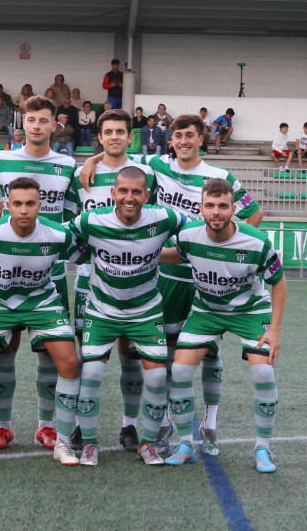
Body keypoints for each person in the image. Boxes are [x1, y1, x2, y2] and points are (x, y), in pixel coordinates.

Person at [79, 114, 263, 457]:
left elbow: (254, 214)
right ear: (171, 139)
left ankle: (210, 423)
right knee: (162, 353)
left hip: (204, 278)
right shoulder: (156, 165)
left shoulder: (220, 176)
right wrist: (91, 159)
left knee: (209, 350)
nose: (183, 141)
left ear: (201, 137)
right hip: (167, 279)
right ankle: (161, 422)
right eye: (178, 135)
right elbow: (119, 159)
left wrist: (220, 248)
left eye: (190, 136)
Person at [161, 178, 286, 473]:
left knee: (264, 373)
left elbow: (279, 283)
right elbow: (172, 256)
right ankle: (186, 444)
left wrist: (275, 330)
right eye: (210, 206)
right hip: (206, 311)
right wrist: (139, 251)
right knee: (179, 370)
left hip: (251, 311)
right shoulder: (189, 236)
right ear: (200, 208)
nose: (216, 212)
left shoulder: (256, 241)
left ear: (233, 209)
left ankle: (263, 449)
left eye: (222, 206)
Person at [0, 177, 82, 465]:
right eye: (17, 204)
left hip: (42, 301)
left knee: (70, 363)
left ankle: (62, 442)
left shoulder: (58, 234)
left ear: (40, 205)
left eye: (30, 203)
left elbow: (88, 254)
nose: (23, 210)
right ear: (6, 206)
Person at [68, 167, 186, 466]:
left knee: (158, 376)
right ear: (113, 193)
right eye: (123, 191)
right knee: (91, 373)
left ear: (147, 194)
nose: (129, 197)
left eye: (136, 192)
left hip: (145, 310)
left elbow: (201, 233)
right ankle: (91, 443)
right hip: (102, 309)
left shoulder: (165, 218)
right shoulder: (91, 220)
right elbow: (55, 237)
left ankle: (148, 443)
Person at [66, 109, 159, 454]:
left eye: (121, 131)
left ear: (130, 136)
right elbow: (71, 222)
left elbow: (154, 220)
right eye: (108, 132)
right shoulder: (81, 175)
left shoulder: (148, 172)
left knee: (130, 355)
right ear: (100, 137)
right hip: (92, 279)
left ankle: (129, 426)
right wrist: (92, 161)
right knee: (88, 356)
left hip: (136, 280)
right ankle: (80, 426)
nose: (115, 136)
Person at [0, 95, 76, 453]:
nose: (36, 126)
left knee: (48, 353)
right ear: (21, 123)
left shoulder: (67, 165)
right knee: (3, 350)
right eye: (30, 119)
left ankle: (46, 427)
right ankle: (3, 427)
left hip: (50, 272)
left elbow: (71, 218)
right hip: (6, 272)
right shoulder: (2, 159)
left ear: (55, 125)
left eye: (43, 120)